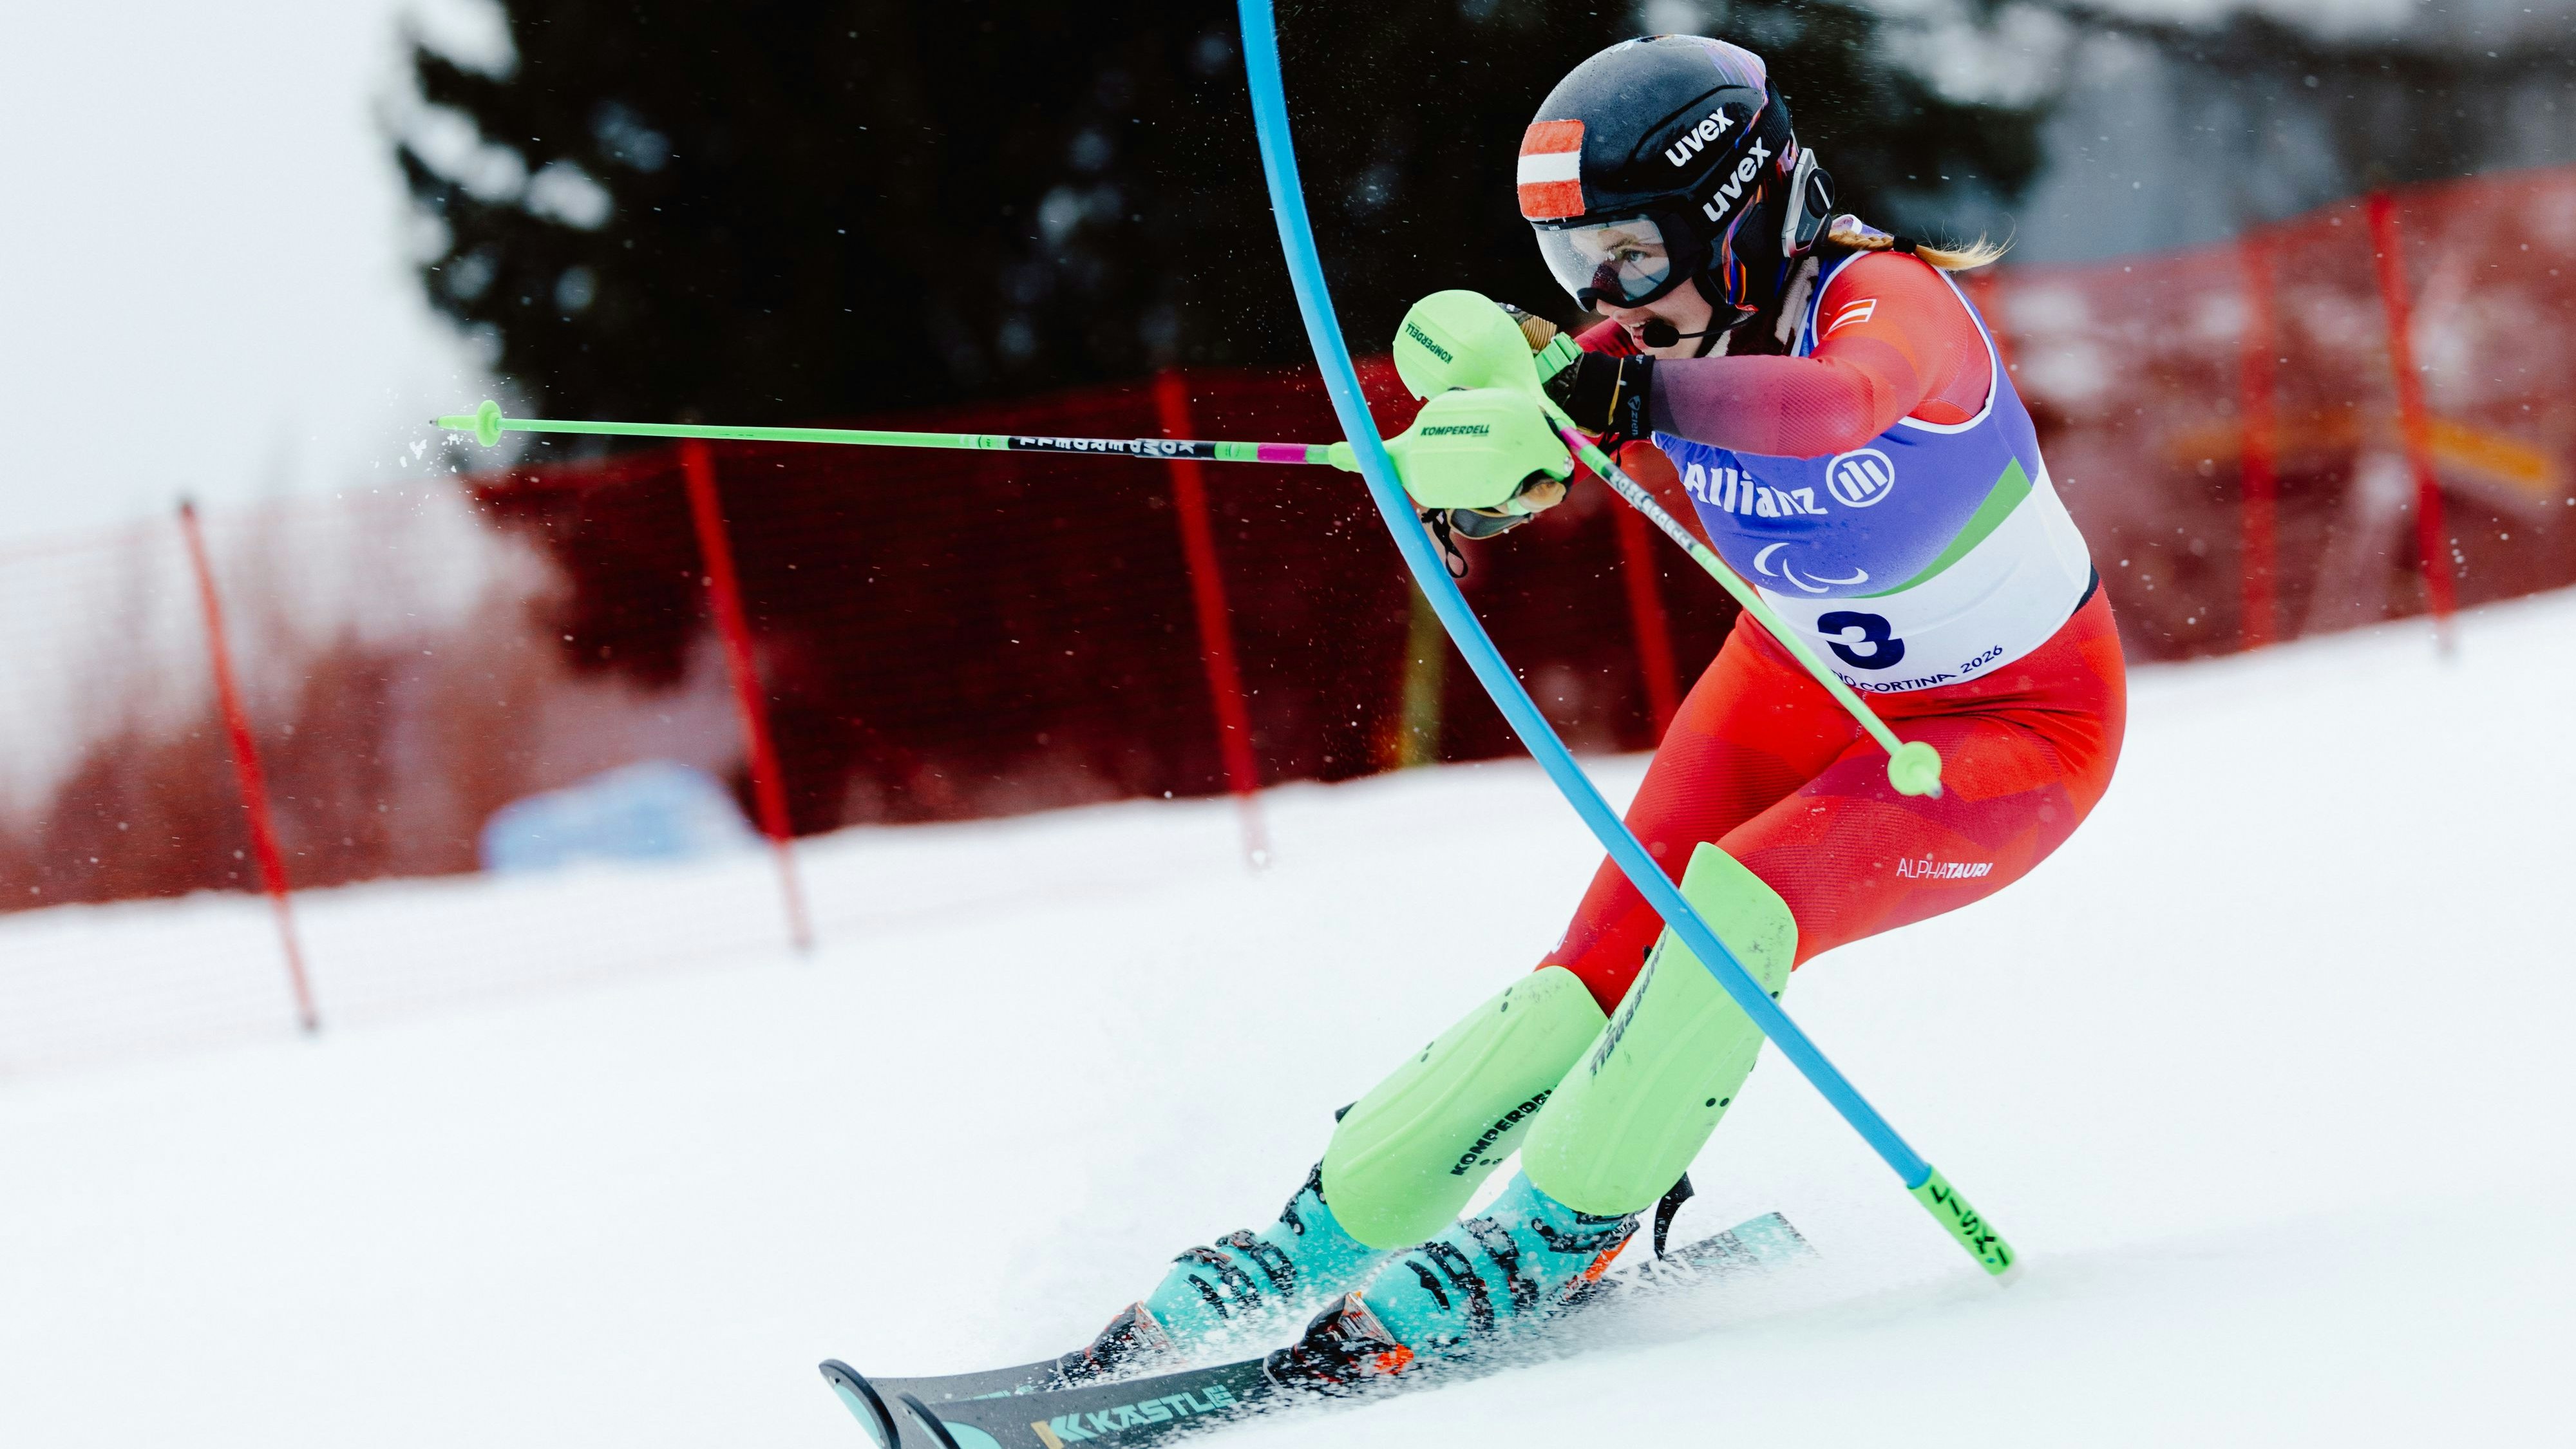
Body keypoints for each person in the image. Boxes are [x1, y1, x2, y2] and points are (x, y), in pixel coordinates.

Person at [1068, 32, 2126, 1386]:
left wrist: (1612, 389)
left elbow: (1824, 409)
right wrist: (1480, 475)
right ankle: (1318, 1236)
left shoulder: (1882, 303)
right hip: (1798, 681)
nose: (1606, 297)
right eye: (1577, 269)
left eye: (1630, 255)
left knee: (1738, 902)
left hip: (2008, 731)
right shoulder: (1647, 337)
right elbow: (1558, 426)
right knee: (1600, 959)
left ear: (1737, 210)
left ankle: (1555, 1231)